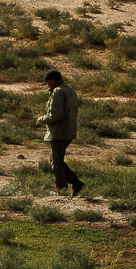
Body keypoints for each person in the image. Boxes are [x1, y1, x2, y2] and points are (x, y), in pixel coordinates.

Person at [35, 67, 84, 196]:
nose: (46, 84)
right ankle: (75, 182)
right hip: (69, 130)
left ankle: (62, 190)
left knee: (56, 163)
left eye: (47, 82)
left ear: (53, 80)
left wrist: (42, 119)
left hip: (59, 132)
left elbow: (55, 115)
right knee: (55, 159)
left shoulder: (58, 92)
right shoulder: (69, 90)